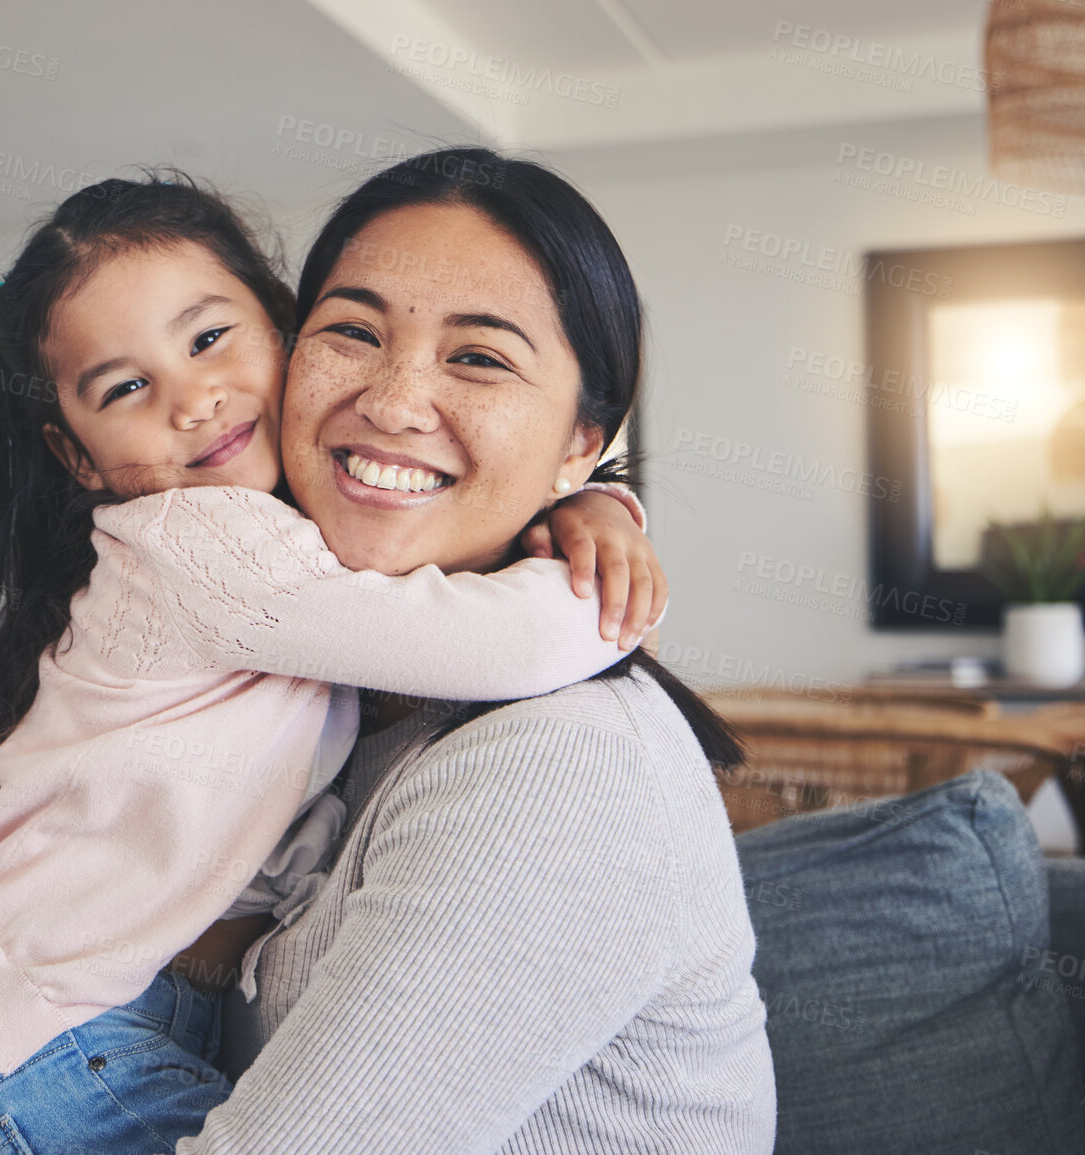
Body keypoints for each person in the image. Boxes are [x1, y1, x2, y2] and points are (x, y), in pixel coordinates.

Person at [0, 173, 671, 1155]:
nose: (193, 401)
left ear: (281, 331)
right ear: (80, 457)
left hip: (60, 1033)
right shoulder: (204, 540)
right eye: (128, 388)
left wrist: (585, 502)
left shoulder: (295, 553)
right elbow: (492, 639)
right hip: (68, 1050)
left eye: (209, 339)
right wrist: (606, 583)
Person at [178, 148, 777, 1153]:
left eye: (481, 358)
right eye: (352, 332)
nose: (394, 399)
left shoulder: (560, 765)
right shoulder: (311, 679)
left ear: (583, 442)